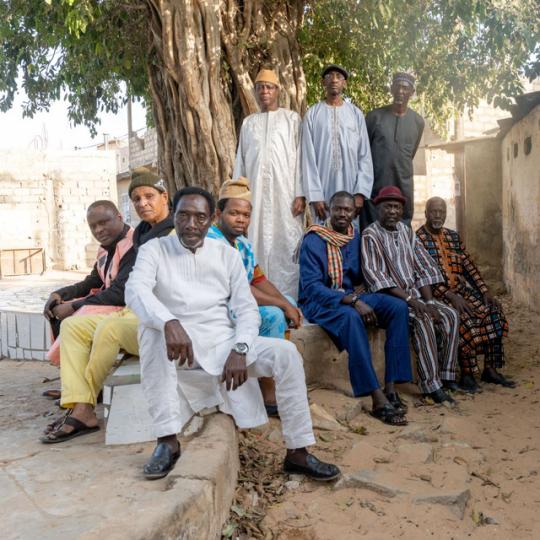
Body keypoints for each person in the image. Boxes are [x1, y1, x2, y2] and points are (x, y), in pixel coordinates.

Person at [125, 187, 340, 481]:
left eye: (200, 217)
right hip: (179, 347)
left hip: (223, 342)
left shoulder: (226, 255)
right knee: (151, 333)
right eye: (183, 216)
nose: (191, 224)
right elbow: (135, 290)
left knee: (287, 353)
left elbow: (247, 309)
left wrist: (240, 348)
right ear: (173, 215)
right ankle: (167, 440)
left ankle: (298, 452)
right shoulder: (155, 249)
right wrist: (168, 322)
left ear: (211, 218)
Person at [40, 170, 175, 442]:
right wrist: (62, 294)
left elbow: (123, 291)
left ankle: (82, 407)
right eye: (136, 198)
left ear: (165, 197)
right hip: (135, 310)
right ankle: (79, 402)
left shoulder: (173, 232)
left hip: (163, 318)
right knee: (73, 326)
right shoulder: (144, 234)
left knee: (106, 327)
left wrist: (76, 303)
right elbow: (98, 280)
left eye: (149, 196)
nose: (143, 203)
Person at [298, 191, 412, 424]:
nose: (343, 214)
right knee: (351, 318)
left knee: (397, 307)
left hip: (352, 296)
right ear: (329, 210)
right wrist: (353, 301)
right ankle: (376, 397)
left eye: (347, 210)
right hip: (321, 301)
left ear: (354, 213)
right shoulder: (314, 239)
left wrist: (359, 296)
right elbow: (311, 287)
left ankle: (391, 387)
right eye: (338, 209)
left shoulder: (355, 236)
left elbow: (360, 277)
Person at [207, 177, 303, 416]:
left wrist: (287, 303)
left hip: (242, 305)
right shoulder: (211, 242)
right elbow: (239, 290)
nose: (241, 219)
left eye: (246, 215)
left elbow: (258, 280)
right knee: (273, 314)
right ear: (218, 213)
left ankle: (273, 373)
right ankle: (267, 388)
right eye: (234, 213)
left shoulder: (242, 244)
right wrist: (281, 305)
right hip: (220, 310)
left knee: (289, 303)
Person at [361, 186, 459, 406]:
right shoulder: (370, 235)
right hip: (392, 300)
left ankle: (447, 375)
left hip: (415, 296)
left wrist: (429, 301)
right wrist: (411, 301)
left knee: (450, 315)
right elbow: (378, 279)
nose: (393, 211)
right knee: (424, 320)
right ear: (378, 208)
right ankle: (431, 386)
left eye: (397, 207)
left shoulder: (406, 232)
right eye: (388, 207)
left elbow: (424, 268)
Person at [416, 197, 514, 392]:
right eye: (434, 211)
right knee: (466, 319)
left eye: (442, 212)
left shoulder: (453, 236)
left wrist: (484, 290)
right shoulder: (418, 239)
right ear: (426, 213)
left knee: (493, 312)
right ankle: (467, 375)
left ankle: (490, 369)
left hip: (460, 291)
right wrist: (451, 296)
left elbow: (468, 265)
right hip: (438, 296)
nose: (438, 215)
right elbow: (421, 276)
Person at [233, 68, 304, 298]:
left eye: (269, 87)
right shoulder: (248, 123)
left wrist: (301, 193)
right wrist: (238, 198)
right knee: (256, 244)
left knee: (288, 244)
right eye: (260, 87)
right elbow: (241, 162)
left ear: (277, 91)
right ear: (255, 92)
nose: (264, 91)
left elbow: (301, 158)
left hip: (286, 196)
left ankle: (290, 300)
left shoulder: (292, 119)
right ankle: (260, 300)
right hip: (255, 198)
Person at [301, 64, 373, 225]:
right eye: (329, 76)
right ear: (323, 82)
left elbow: (364, 155)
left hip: (351, 190)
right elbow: (308, 158)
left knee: (350, 232)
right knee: (322, 232)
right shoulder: (312, 114)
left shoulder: (356, 114)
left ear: (344, 83)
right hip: (322, 193)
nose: (334, 80)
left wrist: (360, 192)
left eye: (339, 77)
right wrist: (315, 195)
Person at [361, 72, 425, 227]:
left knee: (401, 228)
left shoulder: (417, 122)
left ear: (412, 92)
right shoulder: (374, 117)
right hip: (375, 185)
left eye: (405, 88)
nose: (400, 91)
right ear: (391, 89)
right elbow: (363, 153)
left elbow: (410, 153)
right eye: (397, 87)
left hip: (402, 185)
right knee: (372, 228)